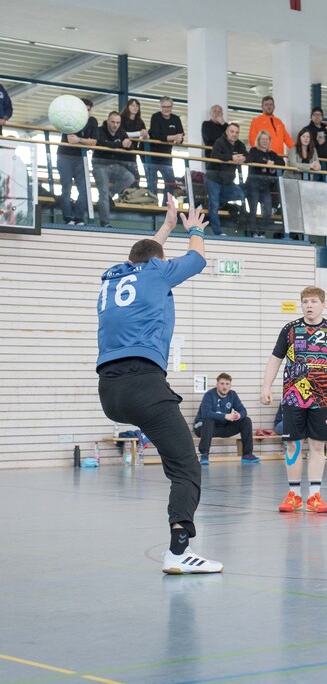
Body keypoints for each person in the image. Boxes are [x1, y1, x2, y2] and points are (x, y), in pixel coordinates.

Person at [96, 195, 222, 574]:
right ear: (159, 261)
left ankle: (180, 549)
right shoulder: (157, 272)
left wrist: (166, 227)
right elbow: (197, 259)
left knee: (175, 456)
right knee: (186, 467)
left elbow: (144, 255)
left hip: (109, 391)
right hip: (144, 384)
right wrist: (194, 229)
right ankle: (179, 552)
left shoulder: (112, 277)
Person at [261, 286, 327, 513]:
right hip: (293, 398)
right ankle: (294, 495)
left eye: (314, 301)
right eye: (305, 301)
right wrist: (266, 387)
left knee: (318, 445)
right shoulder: (290, 330)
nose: (309, 306)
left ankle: (315, 496)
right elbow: (275, 359)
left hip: (322, 399)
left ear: (323, 304)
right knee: (293, 444)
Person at [193, 373, 260, 464]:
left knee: (246, 420)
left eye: (227, 384)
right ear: (217, 385)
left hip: (222, 428)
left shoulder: (232, 395)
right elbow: (206, 414)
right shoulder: (209, 395)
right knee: (209, 420)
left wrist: (238, 416)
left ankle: (247, 454)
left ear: (230, 385)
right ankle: (204, 455)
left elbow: (243, 411)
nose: (224, 387)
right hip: (203, 427)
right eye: (222, 384)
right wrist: (225, 416)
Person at [57, 97, 97, 226]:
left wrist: (79, 140)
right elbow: (70, 140)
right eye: (85, 110)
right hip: (65, 156)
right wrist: (84, 141)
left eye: (89, 110)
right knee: (66, 188)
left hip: (81, 158)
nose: (87, 112)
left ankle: (79, 218)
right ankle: (68, 218)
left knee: (84, 189)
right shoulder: (70, 118)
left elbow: (94, 142)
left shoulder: (92, 121)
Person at [93, 110, 135, 228]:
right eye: (113, 122)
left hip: (115, 165)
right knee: (103, 192)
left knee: (130, 178)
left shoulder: (122, 132)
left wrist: (128, 144)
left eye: (118, 122)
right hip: (100, 164)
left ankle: (109, 194)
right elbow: (103, 144)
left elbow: (130, 147)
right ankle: (105, 223)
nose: (115, 125)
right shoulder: (99, 130)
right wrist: (121, 145)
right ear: (107, 121)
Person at [206, 122, 246, 236]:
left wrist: (243, 158)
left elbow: (248, 156)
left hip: (227, 181)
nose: (234, 134)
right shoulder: (219, 142)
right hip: (213, 179)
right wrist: (232, 157)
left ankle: (220, 202)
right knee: (214, 206)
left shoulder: (240, 145)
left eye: (237, 132)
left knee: (240, 195)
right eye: (232, 131)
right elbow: (214, 156)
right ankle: (217, 232)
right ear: (227, 132)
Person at [245, 130, 283, 238]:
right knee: (253, 210)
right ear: (258, 140)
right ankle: (254, 233)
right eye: (263, 139)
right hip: (253, 185)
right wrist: (266, 164)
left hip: (265, 186)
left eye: (267, 139)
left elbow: (282, 162)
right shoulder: (253, 150)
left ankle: (261, 233)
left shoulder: (271, 154)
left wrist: (273, 163)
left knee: (268, 210)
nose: (265, 141)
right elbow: (252, 160)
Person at [147, 97, 184, 205]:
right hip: (152, 155)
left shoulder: (176, 119)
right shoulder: (155, 117)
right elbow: (156, 135)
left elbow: (181, 135)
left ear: (172, 107)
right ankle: (153, 205)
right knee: (153, 182)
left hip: (167, 155)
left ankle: (165, 205)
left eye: (168, 107)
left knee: (170, 182)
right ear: (160, 107)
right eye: (164, 107)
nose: (166, 109)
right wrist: (173, 137)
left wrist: (178, 139)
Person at [120, 98, 148, 184]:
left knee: (135, 177)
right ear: (128, 107)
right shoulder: (122, 119)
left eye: (137, 106)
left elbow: (145, 135)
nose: (135, 107)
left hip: (133, 151)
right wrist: (139, 133)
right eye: (132, 105)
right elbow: (121, 133)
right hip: (122, 151)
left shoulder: (140, 121)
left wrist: (145, 134)